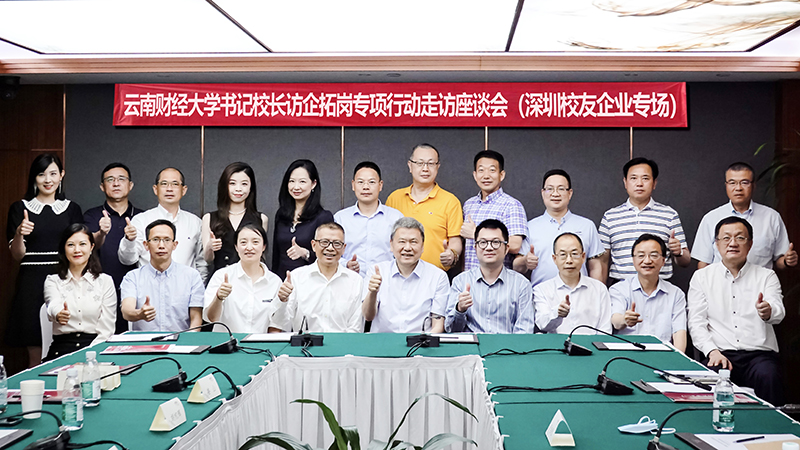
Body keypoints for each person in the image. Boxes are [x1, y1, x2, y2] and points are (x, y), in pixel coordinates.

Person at [688, 216, 785, 405]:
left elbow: (778, 310)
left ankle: (776, 424)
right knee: (708, 381)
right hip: (720, 353)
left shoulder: (766, 276)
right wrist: (712, 351)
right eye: (726, 238)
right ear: (716, 244)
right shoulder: (701, 277)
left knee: (769, 375)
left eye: (740, 238)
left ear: (750, 244)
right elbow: (696, 323)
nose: (732, 243)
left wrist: (768, 311)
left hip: (759, 355)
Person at [6, 153, 83, 367]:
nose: (48, 180)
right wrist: (20, 233)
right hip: (32, 284)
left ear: (61, 175)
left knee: (69, 346)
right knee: (35, 350)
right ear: (34, 177)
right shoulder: (19, 208)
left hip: (64, 279)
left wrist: (101, 234)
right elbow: (17, 255)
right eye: (41, 174)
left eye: (53, 174)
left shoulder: (72, 208)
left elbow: (81, 246)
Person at [599, 157, 691, 282]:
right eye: (633, 178)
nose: (639, 183)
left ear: (654, 183)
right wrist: (601, 290)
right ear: (625, 182)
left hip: (660, 286)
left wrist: (678, 252)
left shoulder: (669, 215)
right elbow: (602, 261)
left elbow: (686, 261)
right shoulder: (610, 216)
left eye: (645, 178)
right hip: (621, 287)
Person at [693, 162, 796, 271]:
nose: (738, 188)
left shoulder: (771, 217)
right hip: (721, 281)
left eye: (744, 182)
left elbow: (779, 260)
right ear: (726, 185)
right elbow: (703, 263)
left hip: (760, 281)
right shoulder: (711, 218)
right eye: (732, 182)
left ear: (754, 185)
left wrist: (787, 261)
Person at [513, 169, 604, 287]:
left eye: (561, 189)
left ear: (570, 193)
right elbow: (516, 267)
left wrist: (596, 292)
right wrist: (525, 261)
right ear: (543, 193)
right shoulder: (530, 227)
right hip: (542, 294)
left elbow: (595, 266)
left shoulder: (587, 225)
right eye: (550, 189)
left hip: (580, 293)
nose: (555, 194)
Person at [83, 162, 143, 334]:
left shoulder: (142, 217)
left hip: (135, 291)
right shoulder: (92, 215)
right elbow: (87, 246)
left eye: (121, 179)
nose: (116, 183)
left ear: (130, 185)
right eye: (110, 180)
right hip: (99, 289)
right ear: (102, 186)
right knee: (102, 338)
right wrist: (101, 232)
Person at [117, 167, 207, 281]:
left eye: (175, 184)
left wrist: (197, 288)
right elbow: (127, 260)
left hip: (186, 289)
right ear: (155, 189)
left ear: (183, 190)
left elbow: (202, 263)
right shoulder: (141, 220)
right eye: (164, 184)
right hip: (149, 288)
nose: (169, 189)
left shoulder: (195, 222)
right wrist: (129, 241)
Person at [445, 219, 534, 334]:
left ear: (506, 248)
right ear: (475, 247)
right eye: (483, 242)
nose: (489, 247)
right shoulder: (461, 281)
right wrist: (460, 309)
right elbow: (450, 329)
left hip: (506, 345)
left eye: (495, 242)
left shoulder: (522, 284)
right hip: (472, 344)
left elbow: (524, 332)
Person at [362, 217, 449, 333]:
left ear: (422, 246)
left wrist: (423, 342)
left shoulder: (438, 276)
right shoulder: (377, 271)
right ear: (391, 245)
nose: (407, 248)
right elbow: (367, 316)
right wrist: (373, 292)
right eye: (402, 241)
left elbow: (438, 325)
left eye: (413, 242)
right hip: (383, 341)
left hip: (420, 342)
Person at [273, 222, 363, 333]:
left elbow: (355, 327)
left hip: (342, 343)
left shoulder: (355, 281)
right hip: (305, 343)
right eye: (324, 242)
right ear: (314, 245)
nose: (330, 248)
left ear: (344, 248)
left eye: (337, 243)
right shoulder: (296, 277)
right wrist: (282, 301)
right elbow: (282, 324)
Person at [43, 224, 116, 361]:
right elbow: (52, 303)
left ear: (91, 247)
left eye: (82, 244)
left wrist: (89, 356)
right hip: (62, 351)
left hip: (95, 349)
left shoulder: (105, 281)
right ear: (64, 249)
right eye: (71, 245)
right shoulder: (53, 280)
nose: (77, 250)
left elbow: (106, 330)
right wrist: (58, 313)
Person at [386, 143, 463, 271]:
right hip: (398, 274)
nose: (425, 168)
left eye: (431, 163)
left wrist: (452, 254)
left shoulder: (450, 201)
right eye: (420, 163)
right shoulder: (394, 198)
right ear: (410, 166)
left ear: (438, 166)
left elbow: (455, 240)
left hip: (435, 276)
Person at [120, 219, 204, 332]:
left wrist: (188, 341)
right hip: (144, 341)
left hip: (180, 340)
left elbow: (196, 319)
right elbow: (126, 312)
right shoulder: (133, 277)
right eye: (155, 240)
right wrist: (140, 314)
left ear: (174, 245)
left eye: (167, 240)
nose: (161, 245)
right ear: (146, 245)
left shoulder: (191, 276)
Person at [204, 224, 289, 333]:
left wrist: (283, 300)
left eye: (255, 242)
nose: (249, 247)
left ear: (264, 246)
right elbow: (211, 318)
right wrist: (218, 298)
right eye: (243, 242)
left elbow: (276, 325)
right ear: (236, 247)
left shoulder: (274, 282)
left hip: (259, 343)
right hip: (227, 343)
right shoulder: (221, 276)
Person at [610, 234, 687, 352]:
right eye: (641, 255)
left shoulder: (676, 294)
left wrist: (679, 358)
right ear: (633, 260)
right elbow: (616, 321)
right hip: (626, 354)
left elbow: (679, 332)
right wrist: (625, 320)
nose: (647, 261)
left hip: (662, 354)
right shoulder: (619, 290)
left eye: (654, 255)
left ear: (663, 260)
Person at [533, 232, 612, 334]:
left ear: (583, 257)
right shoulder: (542, 290)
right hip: (557, 344)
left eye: (574, 254)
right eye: (563, 255)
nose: (569, 260)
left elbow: (605, 330)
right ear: (555, 259)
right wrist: (557, 313)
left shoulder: (599, 289)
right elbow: (542, 324)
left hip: (592, 344)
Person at [460, 150, 527, 271]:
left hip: (498, 278)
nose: (486, 176)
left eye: (492, 170)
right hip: (469, 277)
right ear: (475, 175)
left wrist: (476, 234)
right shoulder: (469, 205)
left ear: (502, 175)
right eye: (481, 170)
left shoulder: (511, 205)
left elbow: (515, 245)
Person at [334, 161, 403, 276]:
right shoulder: (340, 218)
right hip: (350, 280)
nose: (366, 187)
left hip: (386, 281)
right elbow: (332, 252)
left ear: (380, 185)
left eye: (371, 182)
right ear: (353, 185)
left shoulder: (396, 217)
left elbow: (402, 252)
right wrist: (346, 264)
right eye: (360, 182)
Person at [202, 162, 269, 276]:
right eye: (232, 183)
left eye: (244, 184)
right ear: (224, 186)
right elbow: (208, 260)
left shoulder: (261, 219)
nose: (238, 189)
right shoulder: (209, 218)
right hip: (221, 278)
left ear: (251, 187)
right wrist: (210, 247)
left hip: (250, 278)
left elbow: (261, 257)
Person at [272, 159, 334, 279]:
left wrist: (305, 253)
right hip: (282, 281)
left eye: (302, 182)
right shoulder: (281, 214)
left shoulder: (323, 217)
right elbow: (276, 255)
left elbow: (328, 255)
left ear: (313, 184)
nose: (296, 187)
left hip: (310, 281)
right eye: (292, 181)